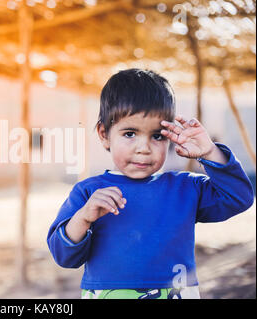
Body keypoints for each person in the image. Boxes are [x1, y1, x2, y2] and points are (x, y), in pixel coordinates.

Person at [47, 68, 254, 299]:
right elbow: (64, 255)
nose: (144, 148)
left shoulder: (185, 189)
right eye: (129, 134)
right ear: (104, 134)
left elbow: (239, 198)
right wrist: (83, 218)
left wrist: (210, 152)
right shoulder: (89, 193)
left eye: (157, 136)